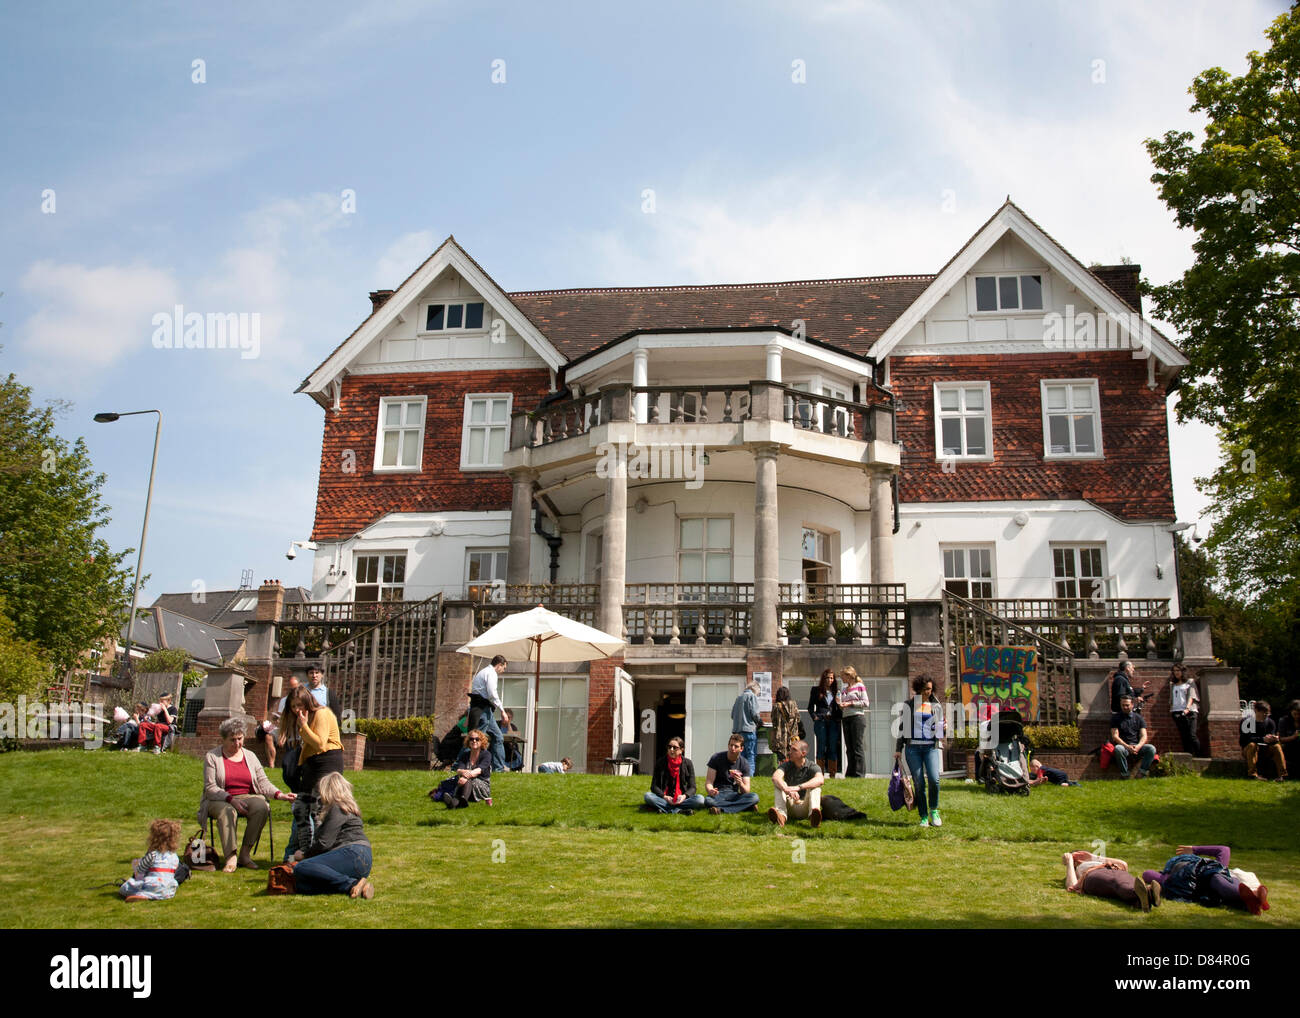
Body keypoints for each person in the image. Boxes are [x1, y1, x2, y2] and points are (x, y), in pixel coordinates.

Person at [197, 718, 295, 872]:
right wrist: (231, 800)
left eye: (240, 739)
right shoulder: (212, 757)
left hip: (245, 797)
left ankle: (245, 854)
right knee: (228, 811)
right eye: (232, 740)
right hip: (218, 799)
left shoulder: (250, 756)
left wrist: (280, 795)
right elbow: (210, 788)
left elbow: (263, 782)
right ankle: (231, 856)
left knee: (261, 806)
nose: (237, 744)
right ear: (223, 739)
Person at [291, 772, 374, 899]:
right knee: (302, 885)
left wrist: (303, 855)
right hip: (362, 859)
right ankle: (358, 887)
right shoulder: (348, 808)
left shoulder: (338, 808)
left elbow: (324, 843)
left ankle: (352, 884)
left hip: (353, 853)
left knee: (302, 867)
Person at [1141, 846, 1269, 916]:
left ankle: (1248, 900)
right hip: (1208, 878)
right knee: (1218, 880)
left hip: (1190, 883)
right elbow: (1224, 850)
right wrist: (1195, 849)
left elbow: (1147, 874)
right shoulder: (1215, 866)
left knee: (1218, 883)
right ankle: (1253, 899)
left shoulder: (1168, 878)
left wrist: (1163, 875)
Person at [894, 674, 945, 827]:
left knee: (934, 780)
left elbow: (940, 731)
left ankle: (934, 810)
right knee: (919, 783)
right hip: (913, 749)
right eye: (924, 690)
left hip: (930, 747)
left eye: (929, 689)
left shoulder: (936, 706)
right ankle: (923, 816)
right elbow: (902, 728)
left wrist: (943, 729)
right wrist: (898, 749)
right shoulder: (909, 705)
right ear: (918, 689)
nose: (927, 692)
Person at [282, 686, 344, 808]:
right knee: (303, 806)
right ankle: (302, 827)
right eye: (293, 706)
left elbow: (320, 744)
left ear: (307, 701)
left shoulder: (321, 713)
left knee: (323, 806)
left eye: (299, 705)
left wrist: (304, 726)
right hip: (312, 762)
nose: (296, 709)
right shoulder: (307, 717)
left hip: (327, 761)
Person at [1063, 850, 1159, 911]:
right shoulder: (1078, 869)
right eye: (1076, 857)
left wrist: (1093, 857)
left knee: (1127, 882)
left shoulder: (1097, 861)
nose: (1080, 858)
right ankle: (1147, 893)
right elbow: (1072, 885)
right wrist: (1069, 863)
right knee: (1116, 883)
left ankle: (1143, 900)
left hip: (1116, 870)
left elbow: (1124, 865)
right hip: (1094, 875)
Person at [120, 819, 183, 902]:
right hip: (169, 888)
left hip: (152, 884)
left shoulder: (153, 855)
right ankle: (155, 895)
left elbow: (140, 870)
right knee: (161, 886)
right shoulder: (174, 857)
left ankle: (143, 895)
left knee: (125, 887)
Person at [429, 728, 493, 807]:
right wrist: (463, 773)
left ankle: (460, 800)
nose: (474, 741)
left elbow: (479, 770)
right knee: (461, 782)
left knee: (466, 781)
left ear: (482, 741)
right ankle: (456, 803)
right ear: (468, 741)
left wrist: (466, 776)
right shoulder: (465, 755)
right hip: (465, 785)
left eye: (477, 739)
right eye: (471, 739)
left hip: (481, 786)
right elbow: (459, 770)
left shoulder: (486, 754)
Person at [768, 738, 823, 828]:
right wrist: (787, 789)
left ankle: (813, 817)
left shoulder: (812, 766)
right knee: (778, 785)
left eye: (794, 750)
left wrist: (799, 787)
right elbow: (775, 777)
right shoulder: (786, 765)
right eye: (790, 749)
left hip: (805, 805)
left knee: (816, 788)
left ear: (803, 753)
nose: (790, 752)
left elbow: (820, 780)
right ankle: (781, 817)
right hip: (790, 804)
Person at [643, 736, 705, 814]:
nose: (671, 750)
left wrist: (684, 796)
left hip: (682, 799)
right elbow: (654, 786)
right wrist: (664, 797)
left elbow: (693, 787)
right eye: (669, 747)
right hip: (665, 798)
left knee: (700, 799)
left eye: (675, 747)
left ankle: (666, 809)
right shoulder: (660, 762)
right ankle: (679, 811)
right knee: (648, 796)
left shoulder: (688, 763)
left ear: (681, 750)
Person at [469, 655, 508, 772]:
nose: (503, 671)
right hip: (483, 710)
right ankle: (459, 765)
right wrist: (502, 710)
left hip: (484, 709)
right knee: (475, 739)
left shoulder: (483, 672)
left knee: (498, 737)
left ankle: (499, 769)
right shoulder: (491, 673)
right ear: (499, 665)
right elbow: (492, 693)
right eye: (504, 668)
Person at [704, 733, 760, 814]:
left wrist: (740, 783)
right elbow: (709, 782)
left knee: (754, 797)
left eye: (736, 746)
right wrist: (710, 790)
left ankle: (721, 809)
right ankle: (745, 807)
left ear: (741, 749)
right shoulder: (716, 758)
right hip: (719, 794)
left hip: (734, 795)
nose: (732, 748)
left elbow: (746, 791)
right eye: (731, 745)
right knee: (708, 801)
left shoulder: (744, 763)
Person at [1110, 695, 1155, 779]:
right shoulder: (1116, 718)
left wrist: (1137, 747)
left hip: (1136, 746)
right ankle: (1125, 774)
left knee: (1151, 748)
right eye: (1123, 705)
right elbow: (1115, 736)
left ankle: (1142, 773)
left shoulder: (1139, 718)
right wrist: (1127, 747)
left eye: (1127, 705)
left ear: (1132, 705)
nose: (1125, 707)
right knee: (1118, 749)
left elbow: (1144, 736)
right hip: (1124, 746)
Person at [1240, 700, 1287, 782]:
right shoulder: (1247, 722)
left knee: (1277, 746)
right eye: (1264, 713)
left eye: (1267, 713)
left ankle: (1282, 775)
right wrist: (1262, 739)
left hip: (1265, 749)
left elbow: (1271, 737)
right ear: (1256, 711)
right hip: (1249, 750)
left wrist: (1274, 739)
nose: (1266, 715)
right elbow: (1244, 740)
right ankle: (1253, 774)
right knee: (1252, 745)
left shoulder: (1270, 722)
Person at [808, 669, 842, 778]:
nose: (829, 680)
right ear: (824, 679)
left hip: (833, 721)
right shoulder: (816, 690)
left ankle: (832, 774)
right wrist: (815, 717)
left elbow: (840, 708)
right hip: (821, 721)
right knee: (821, 747)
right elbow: (810, 707)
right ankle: (820, 774)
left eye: (832, 678)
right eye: (827, 677)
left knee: (832, 747)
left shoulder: (837, 691)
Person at [837, 666, 870, 777]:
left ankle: (859, 773)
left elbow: (866, 703)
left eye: (843, 676)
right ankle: (850, 774)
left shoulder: (860, 686)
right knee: (849, 747)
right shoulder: (844, 690)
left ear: (849, 676)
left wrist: (850, 703)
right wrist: (840, 704)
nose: (841, 679)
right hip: (846, 718)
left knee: (857, 747)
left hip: (857, 718)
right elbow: (842, 705)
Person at [1168, 663, 1201, 756]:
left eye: (1178, 670)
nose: (1176, 673)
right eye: (1174, 671)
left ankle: (1198, 755)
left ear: (1183, 671)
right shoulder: (1173, 684)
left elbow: (1192, 695)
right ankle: (1188, 755)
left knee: (1192, 735)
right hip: (1176, 711)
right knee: (1184, 736)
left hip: (1189, 712)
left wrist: (1187, 708)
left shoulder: (1189, 682)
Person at [730, 679, 760, 776]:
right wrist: (759, 722)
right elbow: (755, 714)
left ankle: (740, 775)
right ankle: (749, 776)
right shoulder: (752, 696)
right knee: (750, 754)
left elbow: (732, 715)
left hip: (737, 732)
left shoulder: (738, 698)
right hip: (749, 730)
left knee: (740, 755)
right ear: (754, 689)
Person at [770, 685, 801, 764]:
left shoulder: (776, 706)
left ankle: (783, 772)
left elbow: (773, 720)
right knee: (793, 755)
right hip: (792, 736)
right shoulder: (794, 704)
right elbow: (798, 719)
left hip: (780, 737)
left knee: (782, 759)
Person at [1278, 700, 1300, 779]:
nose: (1297, 716)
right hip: (1289, 747)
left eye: (1299, 714)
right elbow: (1281, 739)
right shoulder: (1284, 721)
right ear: (1290, 711)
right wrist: (1293, 737)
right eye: (1295, 714)